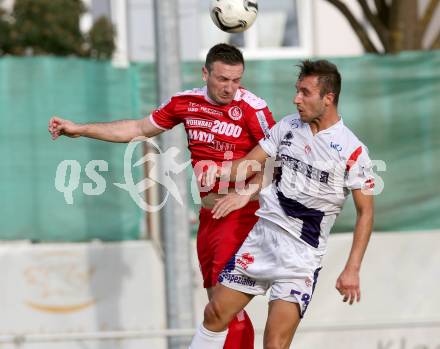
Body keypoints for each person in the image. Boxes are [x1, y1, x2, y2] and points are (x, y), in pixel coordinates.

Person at [48, 43, 276, 349]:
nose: (230, 88)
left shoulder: (253, 108)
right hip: (210, 215)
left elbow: (280, 160)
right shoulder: (185, 102)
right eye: (223, 79)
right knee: (218, 309)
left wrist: (244, 195)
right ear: (205, 72)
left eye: (236, 80)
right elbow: (137, 128)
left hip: (241, 215)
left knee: (224, 307)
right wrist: (80, 129)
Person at [190, 59, 375, 349]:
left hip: (299, 256)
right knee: (214, 313)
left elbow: (366, 213)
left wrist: (352, 268)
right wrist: (218, 170)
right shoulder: (288, 126)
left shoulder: (353, 150)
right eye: (296, 90)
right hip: (262, 238)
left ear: (328, 98)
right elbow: (249, 163)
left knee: (274, 343)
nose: (296, 98)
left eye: (304, 92)